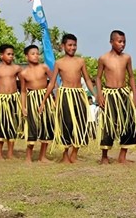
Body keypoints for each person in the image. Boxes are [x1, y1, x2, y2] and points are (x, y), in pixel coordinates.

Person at [40, 34, 95, 164]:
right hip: (65, 95)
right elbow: (52, 83)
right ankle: (65, 155)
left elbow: (87, 79)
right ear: (63, 46)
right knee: (66, 124)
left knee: (81, 123)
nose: (72, 48)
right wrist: (44, 101)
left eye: (74, 45)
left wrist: (95, 94)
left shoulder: (80, 61)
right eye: (69, 45)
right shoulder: (59, 63)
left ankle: (74, 154)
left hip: (78, 94)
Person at [96, 30, 136, 164]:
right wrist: (100, 94)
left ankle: (123, 156)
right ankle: (104, 156)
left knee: (128, 123)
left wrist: (134, 95)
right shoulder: (103, 58)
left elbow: (131, 76)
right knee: (109, 124)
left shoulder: (127, 58)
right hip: (109, 94)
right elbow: (98, 78)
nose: (122, 44)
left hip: (124, 93)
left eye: (124, 42)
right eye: (119, 41)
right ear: (111, 42)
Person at [19, 44, 55, 163]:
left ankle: (42, 156)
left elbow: (53, 82)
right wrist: (23, 106)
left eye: (37, 53)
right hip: (32, 99)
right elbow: (23, 91)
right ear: (26, 56)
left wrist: (48, 99)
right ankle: (28, 156)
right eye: (32, 54)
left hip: (45, 98)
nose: (36, 56)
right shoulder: (23, 73)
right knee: (32, 126)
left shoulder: (44, 67)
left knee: (46, 125)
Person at [0, 44, 23, 160]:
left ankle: (10, 153)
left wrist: (23, 104)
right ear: (1, 55)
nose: (11, 56)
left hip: (13, 99)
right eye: (8, 54)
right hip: (1, 100)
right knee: (1, 125)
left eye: (12, 54)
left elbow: (23, 86)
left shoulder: (17, 68)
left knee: (12, 125)